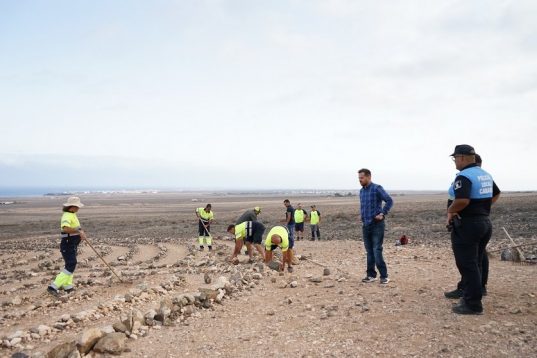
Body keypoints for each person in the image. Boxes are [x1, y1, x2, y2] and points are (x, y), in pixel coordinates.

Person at [447, 145, 500, 315]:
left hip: (468, 225)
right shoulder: (484, 174)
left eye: (455, 157)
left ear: (462, 157)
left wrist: (451, 211)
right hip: (484, 222)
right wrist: (482, 207)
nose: (454, 161)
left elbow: (462, 200)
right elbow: (496, 194)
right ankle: (472, 294)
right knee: (475, 261)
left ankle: (472, 304)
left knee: (467, 264)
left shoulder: (465, 176)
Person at [358, 168, 393, 284]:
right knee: (369, 251)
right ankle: (371, 275)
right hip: (366, 225)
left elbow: (389, 200)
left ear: (368, 177)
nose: (360, 180)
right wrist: (362, 216)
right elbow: (363, 206)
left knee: (377, 249)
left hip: (376, 225)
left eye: (362, 178)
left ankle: (384, 276)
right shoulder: (361, 191)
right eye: (359, 178)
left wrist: (383, 213)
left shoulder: (377, 188)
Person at [48, 197, 87, 296]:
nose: (79, 208)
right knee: (71, 264)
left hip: (72, 243)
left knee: (70, 264)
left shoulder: (72, 214)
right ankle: (53, 286)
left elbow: (76, 228)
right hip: (68, 243)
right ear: (72, 207)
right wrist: (78, 232)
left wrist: (80, 233)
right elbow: (65, 229)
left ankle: (67, 286)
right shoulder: (67, 216)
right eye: (77, 206)